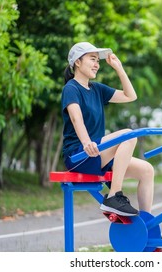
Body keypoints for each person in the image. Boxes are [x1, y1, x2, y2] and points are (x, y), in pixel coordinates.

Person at [61, 42, 154, 217]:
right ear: (77, 62)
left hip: (98, 154)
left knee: (147, 170)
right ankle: (114, 196)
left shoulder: (97, 89)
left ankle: (146, 225)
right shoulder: (71, 88)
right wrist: (86, 142)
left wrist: (119, 68)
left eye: (98, 60)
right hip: (79, 154)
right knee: (128, 135)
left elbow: (130, 96)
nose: (97, 64)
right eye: (92, 59)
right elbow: (76, 118)